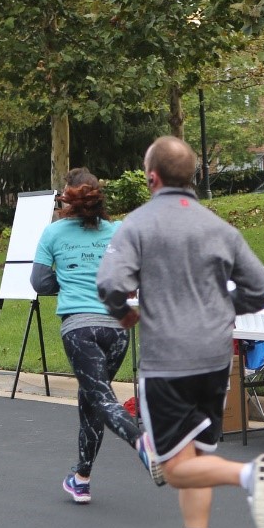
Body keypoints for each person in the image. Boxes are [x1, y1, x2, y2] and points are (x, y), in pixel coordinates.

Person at [97, 136, 264, 528]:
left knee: (173, 468)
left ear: (151, 177)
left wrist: (125, 315)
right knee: (196, 458)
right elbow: (260, 288)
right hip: (216, 360)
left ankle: (249, 475)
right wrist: (222, 309)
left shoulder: (137, 225)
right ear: (191, 176)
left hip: (167, 362)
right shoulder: (219, 228)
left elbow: (110, 284)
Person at [31, 168, 163, 504]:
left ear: (67, 195)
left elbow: (40, 283)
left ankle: (141, 441)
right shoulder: (119, 231)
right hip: (117, 330)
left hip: (80, 329)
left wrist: (73, 284)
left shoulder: (53, 233)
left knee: (102, 400)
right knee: (91, 400)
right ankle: (81, 478)